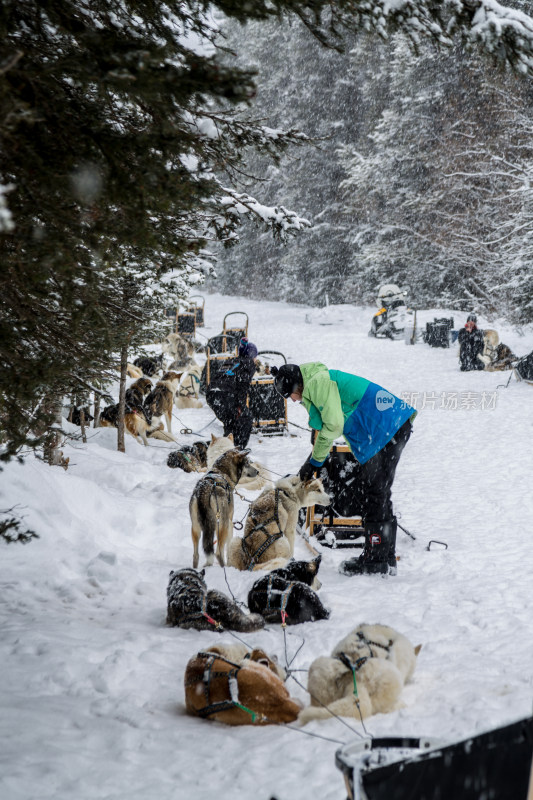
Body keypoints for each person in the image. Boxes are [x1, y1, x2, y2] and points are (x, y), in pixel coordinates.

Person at [270, 362, 416, 577]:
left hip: (386, 426)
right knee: (378, 491)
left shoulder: (318, 383)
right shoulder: (315, 383)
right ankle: (384, 556)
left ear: (296, 385)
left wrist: (315, 462)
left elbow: (334, 425)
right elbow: (324, 425)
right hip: (387, 427)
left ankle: (376, 560)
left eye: (289, 394)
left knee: (376, 492)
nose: (292, 400)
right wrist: (312, 461)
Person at [205, 338, 258, 449]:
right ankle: (237, 450)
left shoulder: (232, 361)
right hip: (225, 395)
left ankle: (228, 448)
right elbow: (242, 386)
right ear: (252, 355)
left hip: (212, 394)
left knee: (231, 422)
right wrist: (241, 405)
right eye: (255, 356)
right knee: (245, 418)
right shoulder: (248, 364)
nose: (256, 359)